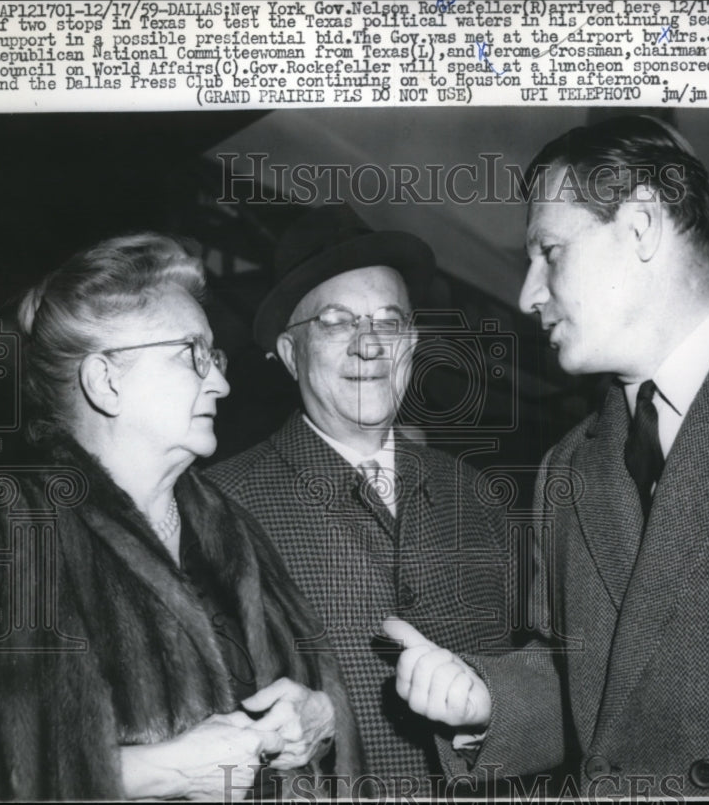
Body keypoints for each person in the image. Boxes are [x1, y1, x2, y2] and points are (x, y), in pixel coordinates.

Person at [384, 115, 709, 797]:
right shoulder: (567, 467)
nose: (527, 294)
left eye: (549, 251)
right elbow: (591, 676)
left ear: (642, 226)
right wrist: (488, 701)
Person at [0, 233, 362, 800]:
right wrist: (156, 771)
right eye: (192, 353)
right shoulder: (11, 527)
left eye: (215, 355)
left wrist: (322, 719)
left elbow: (319, 718)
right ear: (106, 381)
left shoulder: (233, 529)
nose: (221, 382)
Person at [206, 204, 517, 792]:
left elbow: (543, 682)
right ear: (291, 352)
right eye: (335, 321)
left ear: (413, 342)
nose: (369, 345)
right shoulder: (217, 506)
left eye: (389, 322)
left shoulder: (478, 497)